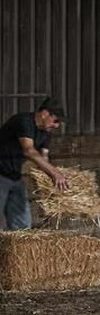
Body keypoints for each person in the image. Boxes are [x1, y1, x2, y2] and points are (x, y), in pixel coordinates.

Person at [0, 98, 70, 230]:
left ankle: (19, 249)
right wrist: (55, 172)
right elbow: (29, 150)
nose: (57, 126)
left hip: (14, 175)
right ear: (44, 113)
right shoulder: (23, 121)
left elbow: (44, 158)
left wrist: (50, 190)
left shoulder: (45, 133)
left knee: (22, 225)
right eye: (56, 120)